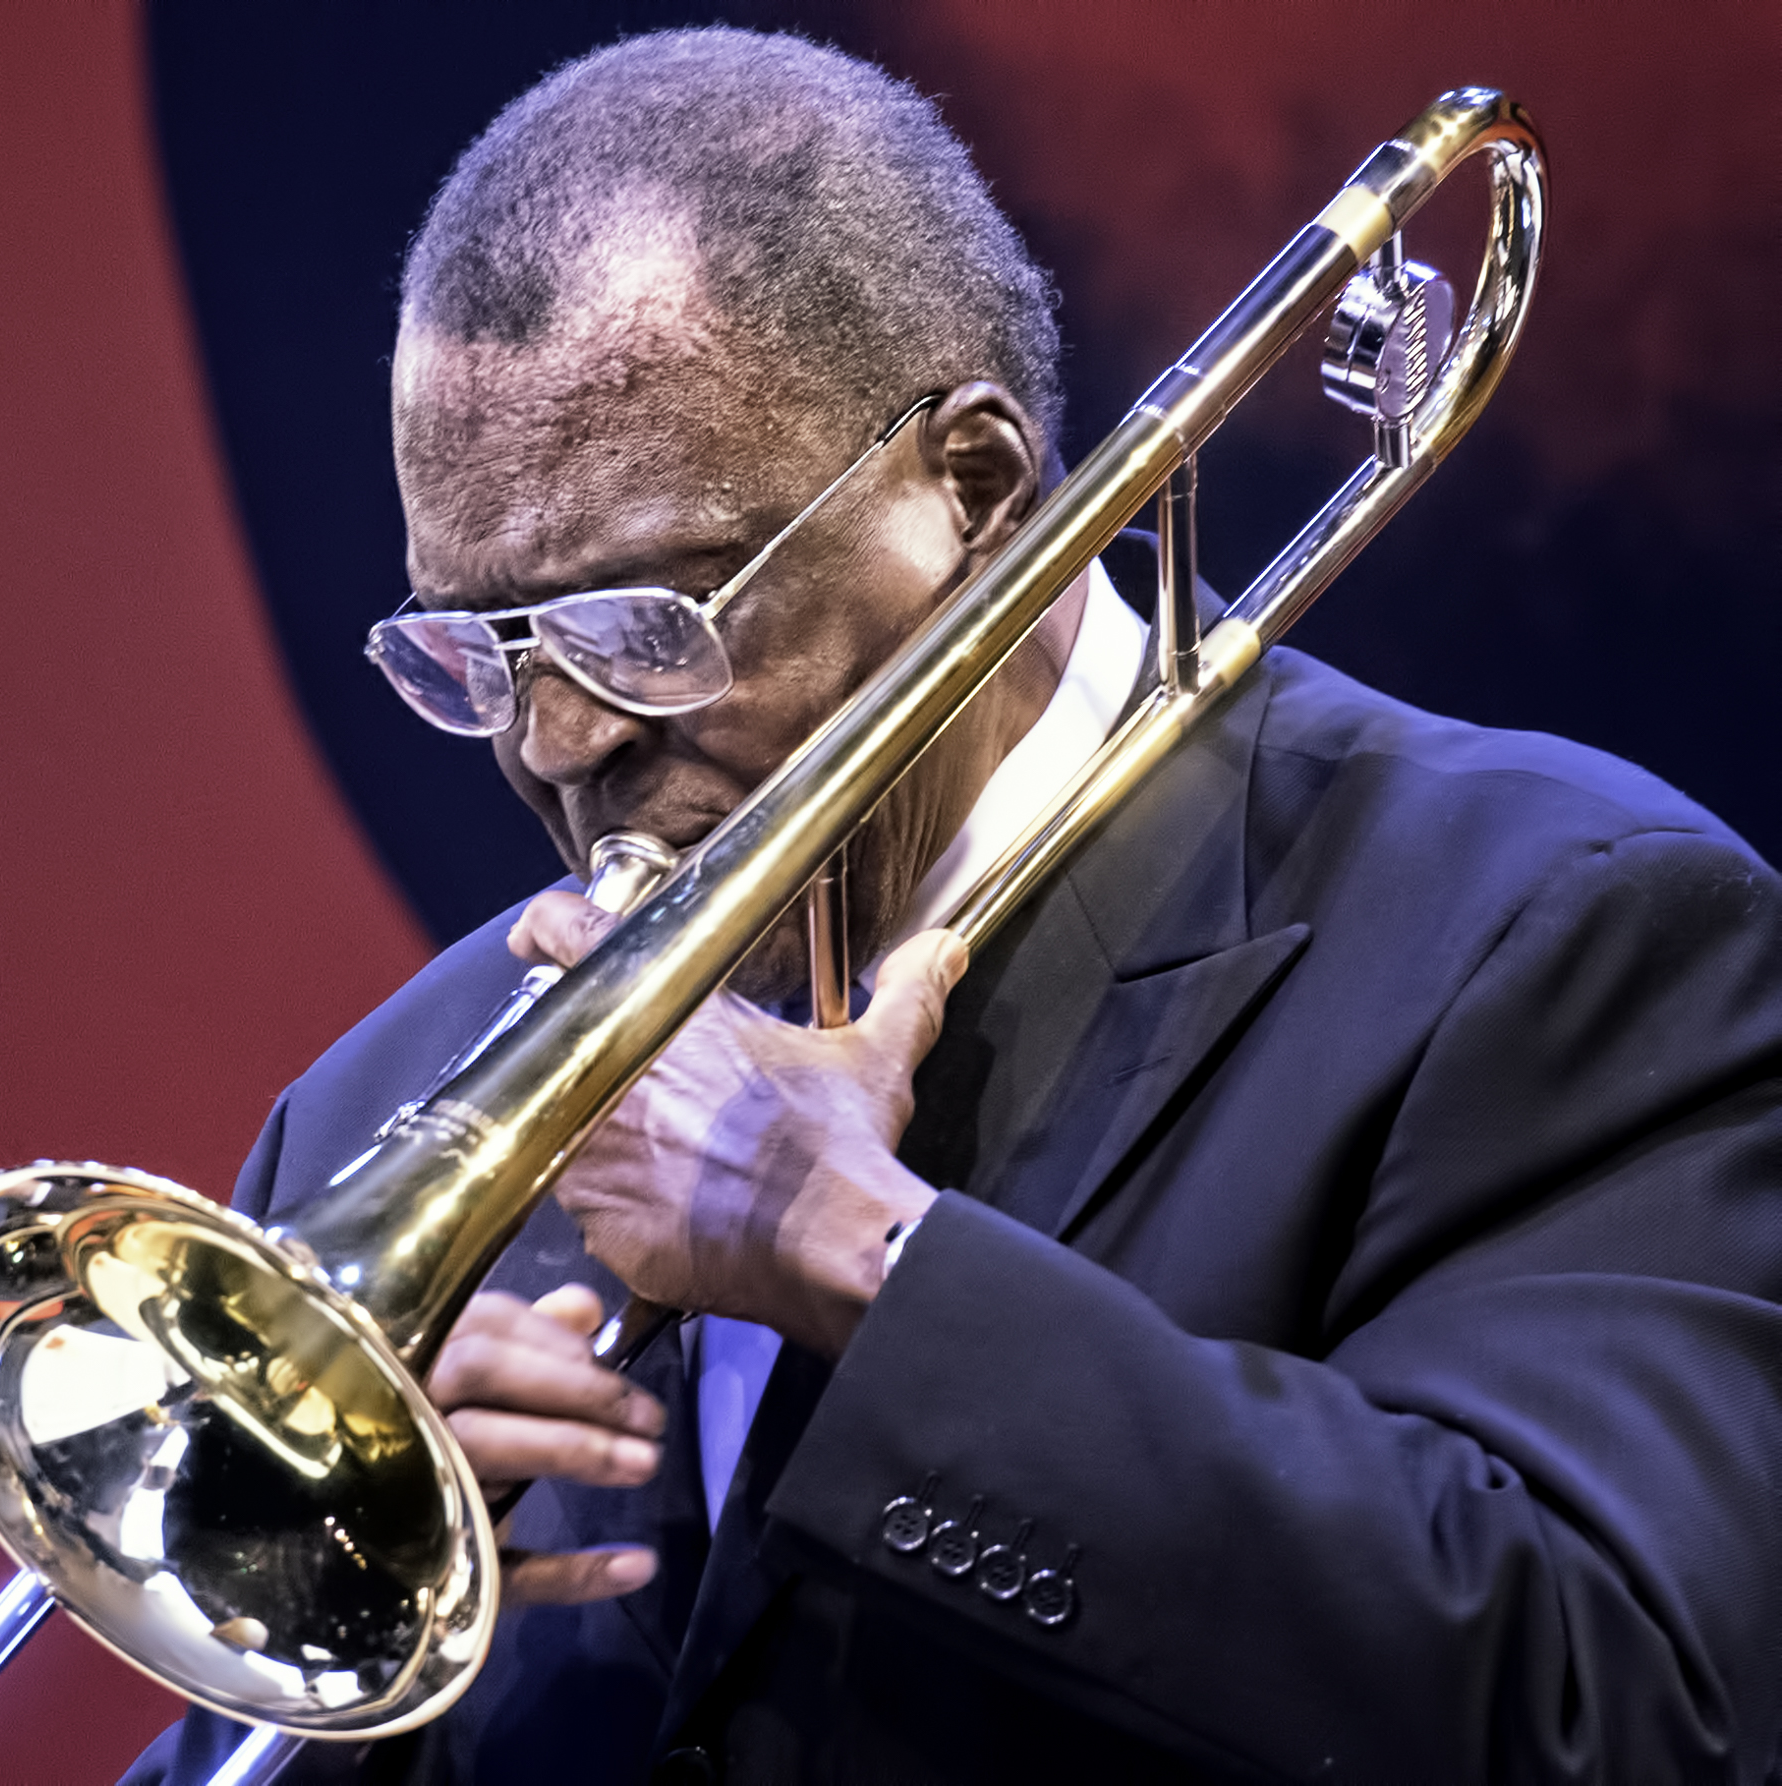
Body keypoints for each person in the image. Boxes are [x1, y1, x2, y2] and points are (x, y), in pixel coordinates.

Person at [125, 28, 1782, 1785]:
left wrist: (871, 1261)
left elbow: (1619, 1701)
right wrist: (344, 1632)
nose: (558, 744)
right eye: (482, 647)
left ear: (976, 495)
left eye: (641, 623)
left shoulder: (1556, 928)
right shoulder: (382, 1105)